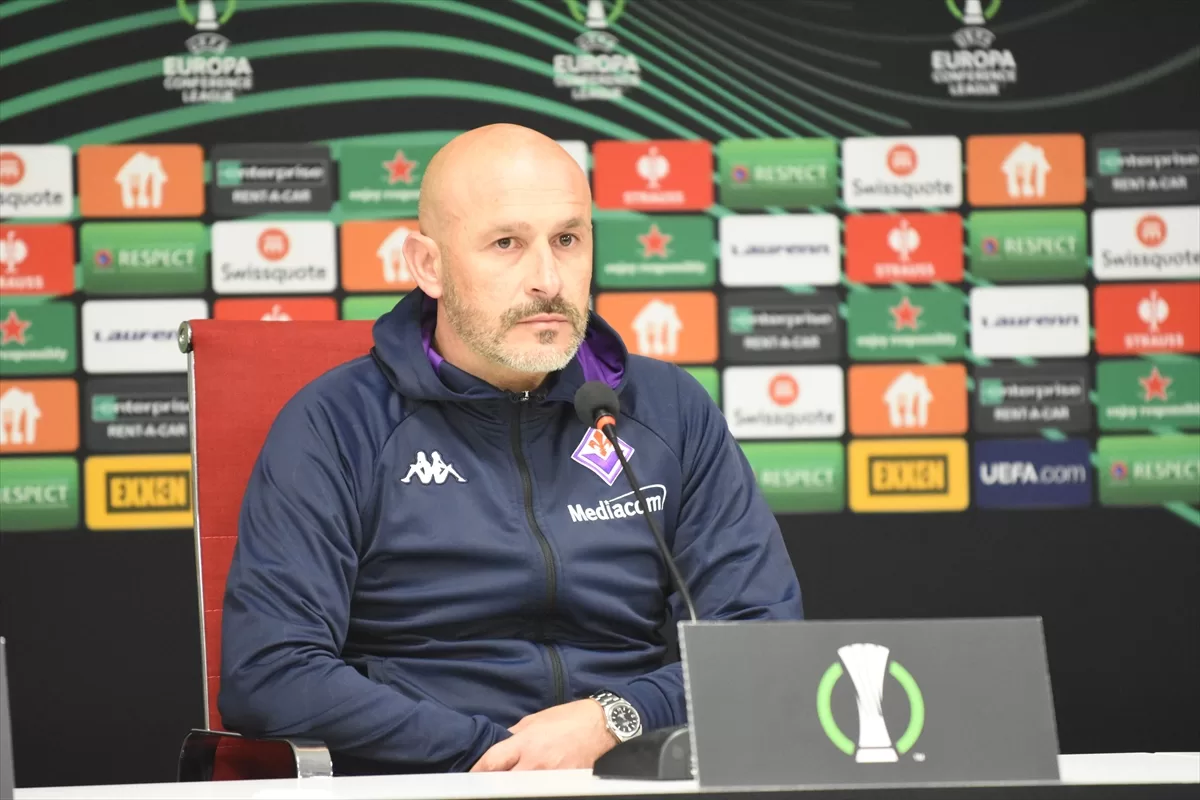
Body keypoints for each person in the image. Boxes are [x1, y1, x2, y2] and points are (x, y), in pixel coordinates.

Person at [218, 124, 804, 775]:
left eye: (567, 240)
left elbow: (762, 641)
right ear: (428, 266)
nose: (547, 279)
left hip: (625, 771)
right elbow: (270, 673)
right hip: (429, 780)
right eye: (507, 243)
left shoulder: (668, 410)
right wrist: (491, 753)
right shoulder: (336, 424)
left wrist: (615, 718)